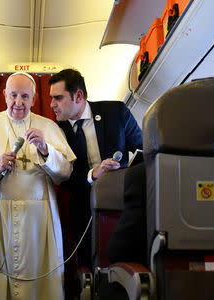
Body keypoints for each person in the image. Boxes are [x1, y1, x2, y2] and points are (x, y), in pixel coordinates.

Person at [0, 72, 76, 299]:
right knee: (2, 277)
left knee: (41, 277)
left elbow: (65, 173)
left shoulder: (48, 127)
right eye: (13, 95)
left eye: (25, 96)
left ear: (34, 99)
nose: (18, 102)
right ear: (4, 95)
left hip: (40, 217)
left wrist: (45, 149)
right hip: (0, 212)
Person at [49, 68, 143, 268]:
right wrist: (93, 174)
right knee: (88, 268)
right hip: (83, 211)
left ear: (79, 96)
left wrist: (123, 176)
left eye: (58, 98)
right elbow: (63, 178)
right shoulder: (57, 130)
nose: (52, 105)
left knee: (124, 264)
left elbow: (143, 151)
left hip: (121, 207)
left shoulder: (116, 112)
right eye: (51, 98)